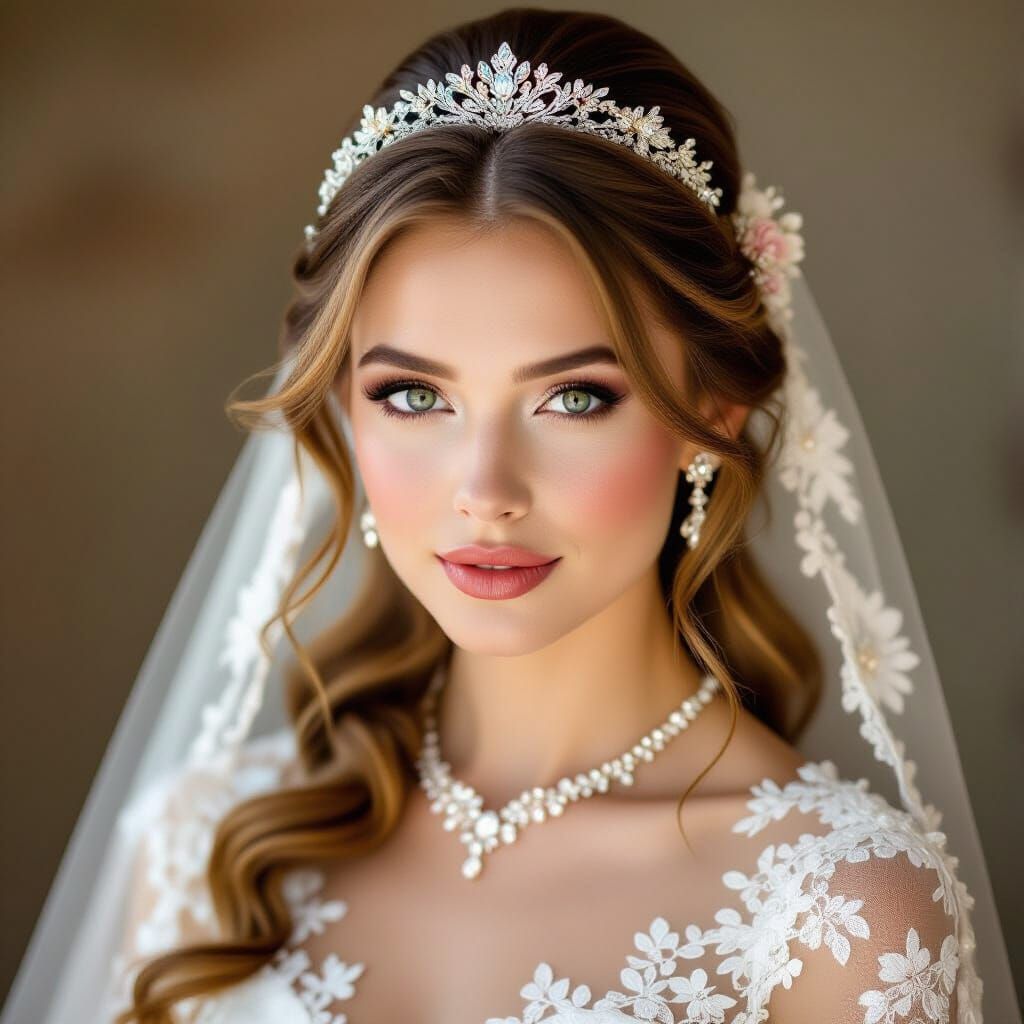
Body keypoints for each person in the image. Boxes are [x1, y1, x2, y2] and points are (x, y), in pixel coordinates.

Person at [3, 8, 1017, 1024]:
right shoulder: (202, 849)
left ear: (713, 412)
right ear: (341, 407)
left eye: (574, 397)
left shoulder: (842, 912)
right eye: (412, 395)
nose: (485, 488)